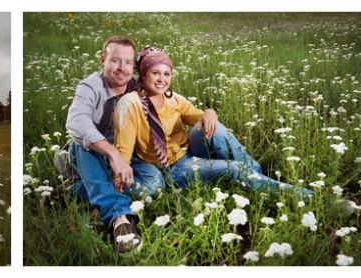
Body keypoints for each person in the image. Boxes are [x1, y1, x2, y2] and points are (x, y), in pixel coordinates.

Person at [113, 47, 313, 198]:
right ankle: (303, 196)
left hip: (186, 154)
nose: (162, 79)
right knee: (233, 169)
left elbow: (200, 116)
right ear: (144, 74)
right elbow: (124, 151)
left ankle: (254, 174)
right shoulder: (131, 104)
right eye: (155, 73)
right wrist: (117, 182)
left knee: (214, 128)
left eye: (167, 74)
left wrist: (209, 112)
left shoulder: (172, 98)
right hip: (171, 168)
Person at [65, 36, 164, 254]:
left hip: (125, 155)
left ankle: (74, 190)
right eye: (115, 60)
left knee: (155, 182)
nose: (122, 68)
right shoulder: (90, 86)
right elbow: (77, 122)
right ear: (103, 60)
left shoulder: (139, 88)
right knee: (84, 143)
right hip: (91, 152)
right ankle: (120, 219)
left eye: (128, 62)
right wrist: (113, 155)